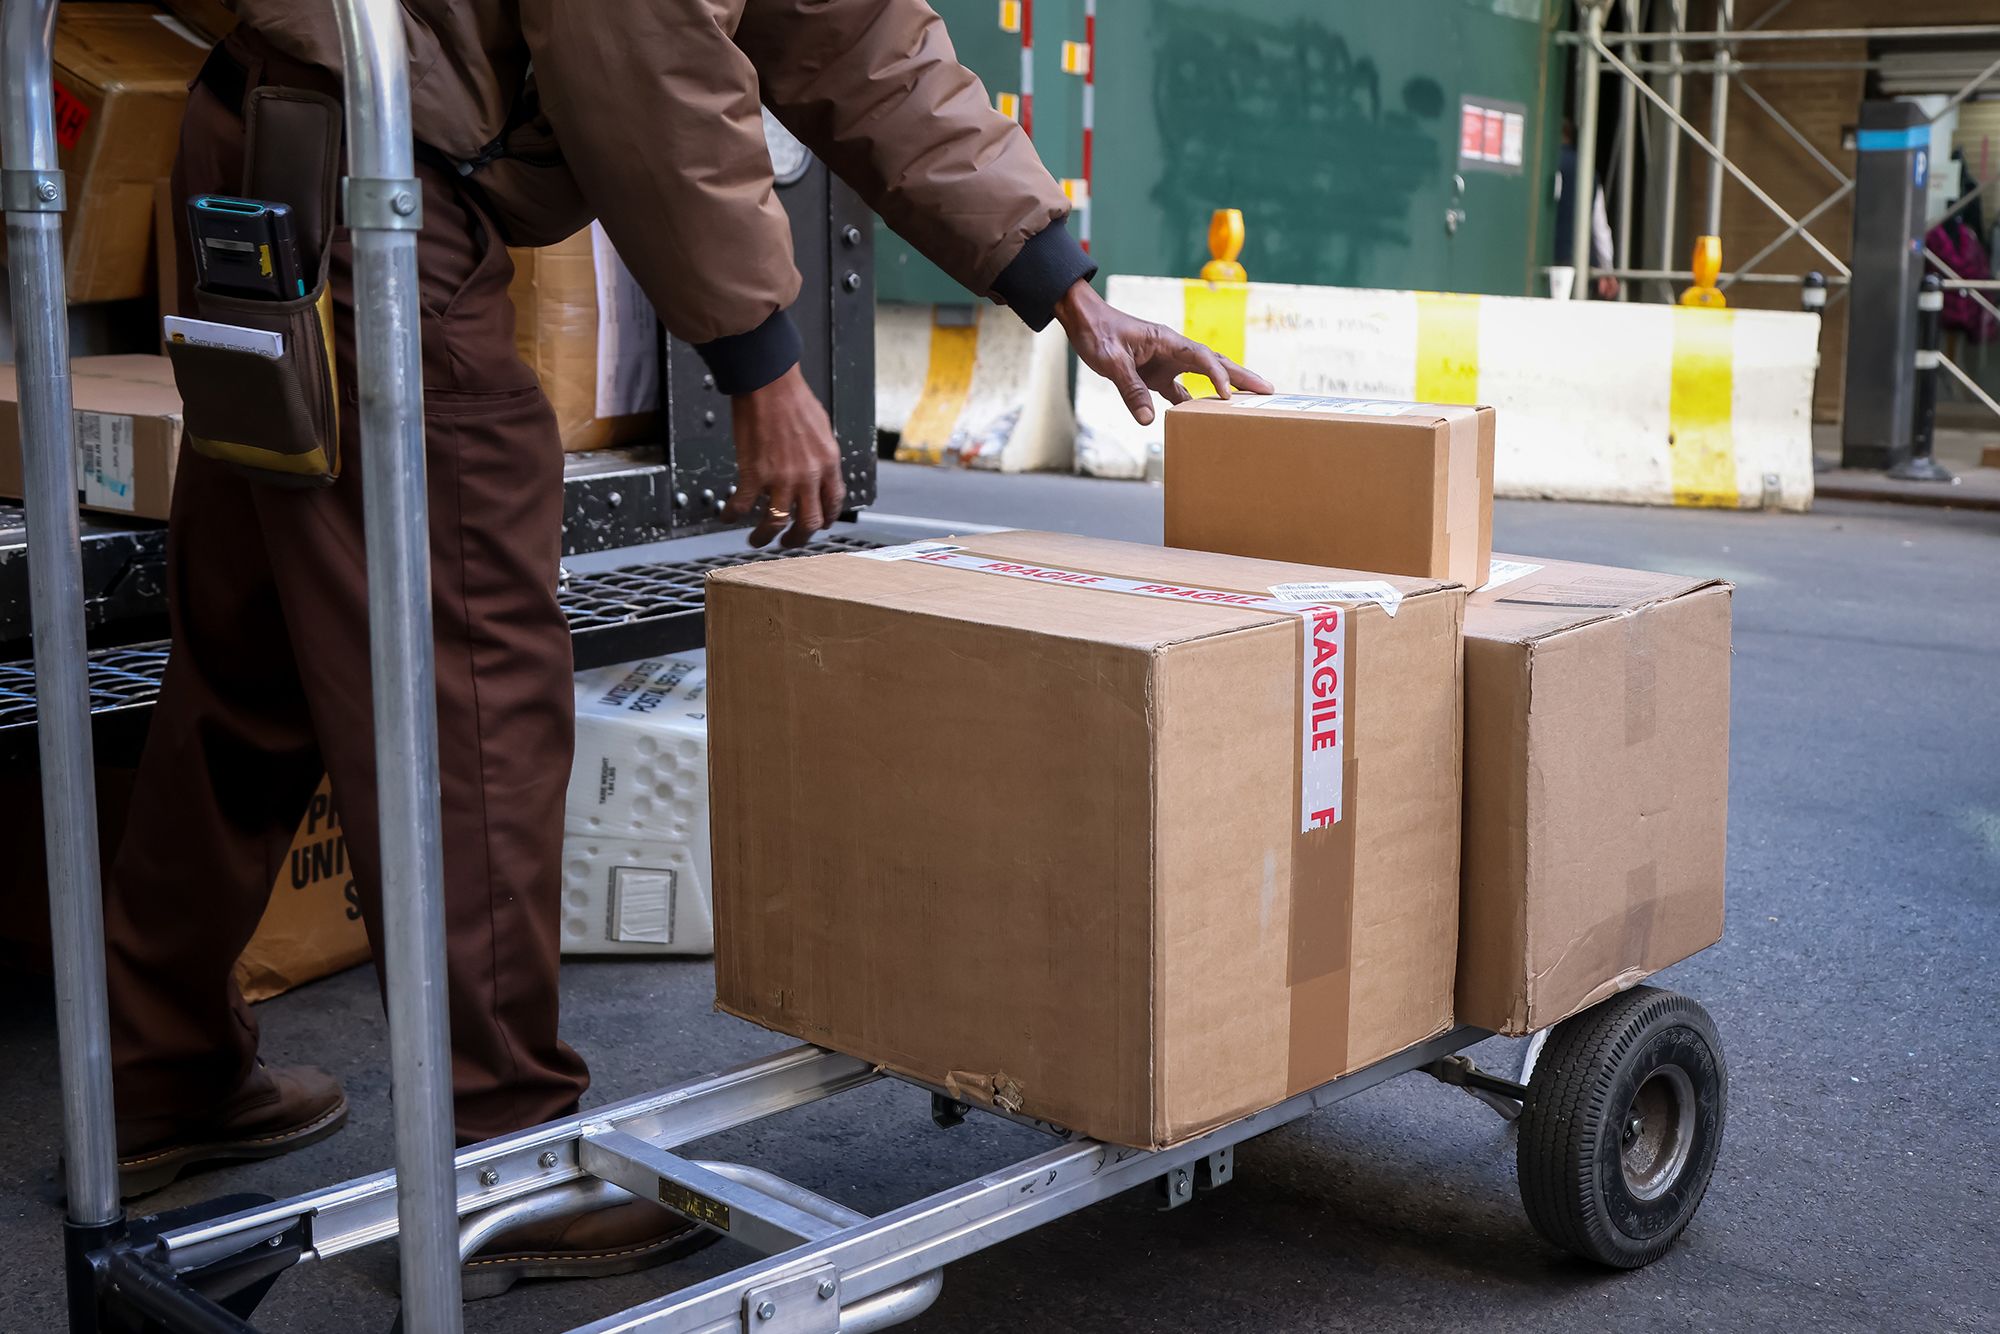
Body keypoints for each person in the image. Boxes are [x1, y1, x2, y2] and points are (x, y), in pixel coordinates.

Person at [102, 0, 1271, 1301]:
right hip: (363, 182)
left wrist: (1064, 291)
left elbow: (863, 43)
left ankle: (157, 1068)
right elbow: (635, 37)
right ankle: (509, 1147)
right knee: (473, 671)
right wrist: (761, 362)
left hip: (292, 156)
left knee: (256, 655)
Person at [1553, 117, 1619, 300]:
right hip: (1578, 263)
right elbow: (1600, 228)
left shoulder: (1544, 164)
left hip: (1546, 260)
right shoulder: (1588, 171)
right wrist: (1607, 269)